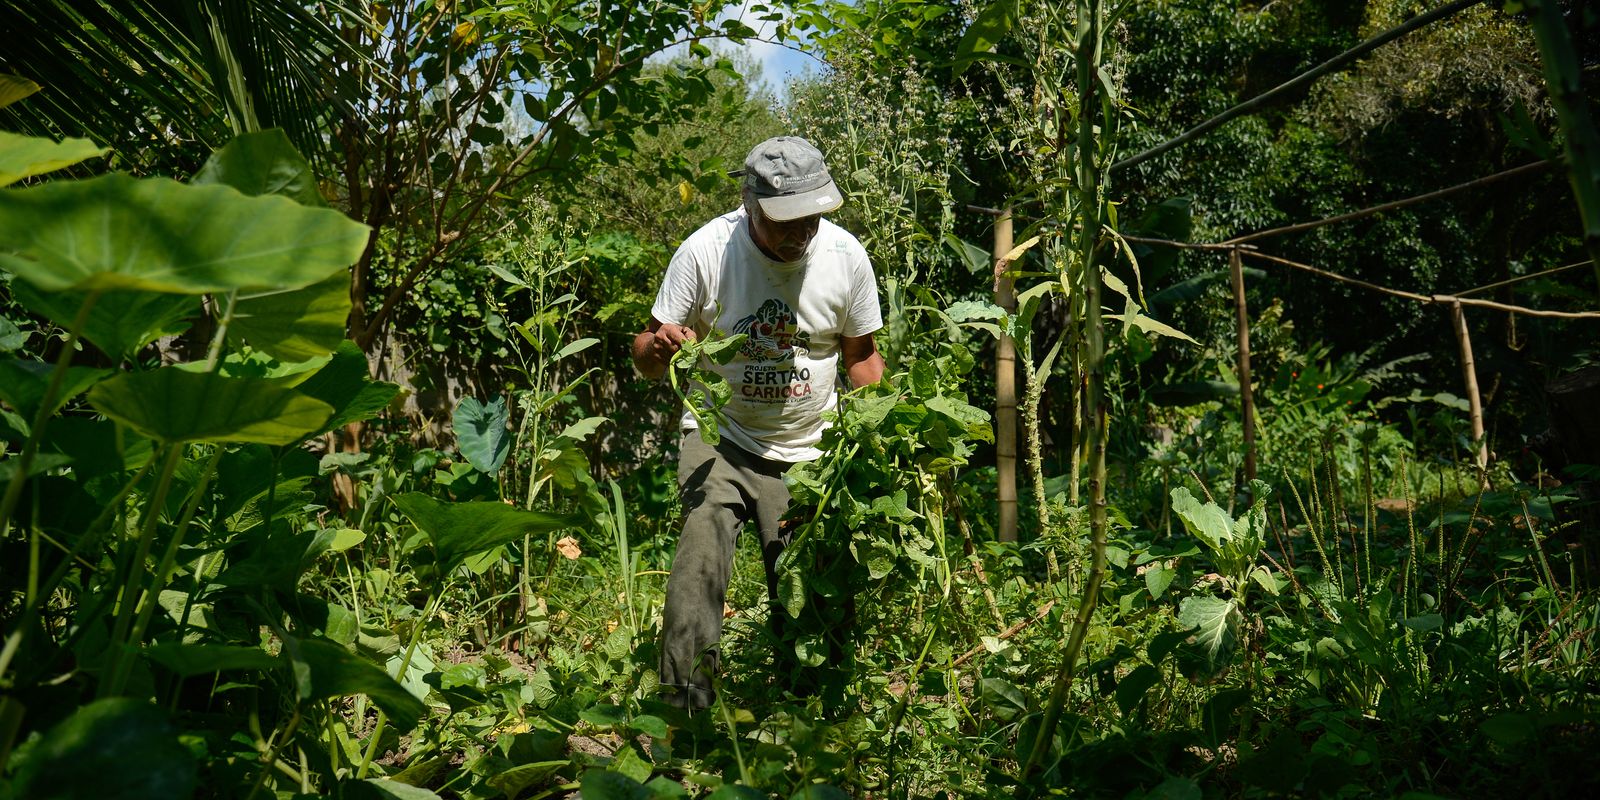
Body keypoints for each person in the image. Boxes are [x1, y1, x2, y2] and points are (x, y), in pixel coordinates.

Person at [630, 136, 886, 711]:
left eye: (812, 217)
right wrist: (661, 349)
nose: (801, 233)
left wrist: (883, 435)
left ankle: (812, 714)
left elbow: (861, 357)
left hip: (811, 446)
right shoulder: (703, 253)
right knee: (699, 561)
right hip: (721, 435)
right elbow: (644, 354)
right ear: (749, 204)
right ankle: (685, 710)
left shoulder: (846, 259)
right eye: (785, 221)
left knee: (808, 588)